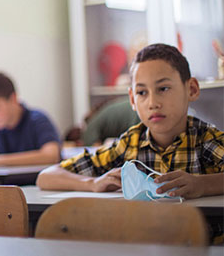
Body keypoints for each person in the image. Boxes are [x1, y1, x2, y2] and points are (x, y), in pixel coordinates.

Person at [37, 43, 224, 199]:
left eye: (164, 88)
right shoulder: (129, 145)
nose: (152, 103)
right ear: (133, 100)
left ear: (191, 89)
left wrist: (202, 185)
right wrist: (93, 183)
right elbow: (46, 177)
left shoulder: (205, 139)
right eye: (142, 93)